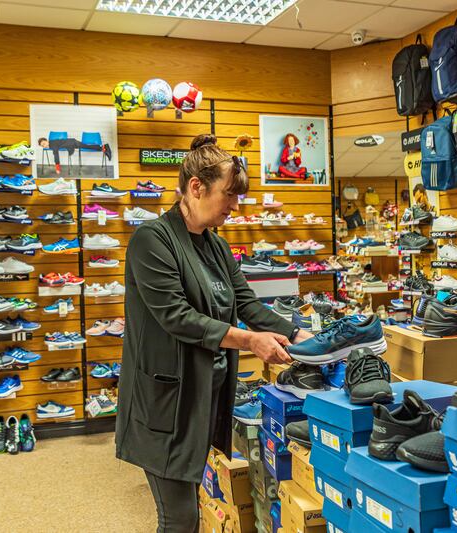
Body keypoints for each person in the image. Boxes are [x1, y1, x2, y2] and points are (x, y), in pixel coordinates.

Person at [116, 134, 314, 532]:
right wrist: (249, 340)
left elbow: (248, 305)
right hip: (166, 404)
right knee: (179, 517)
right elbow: (177, 317)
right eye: (230, 194)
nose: (235, 205)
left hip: (206, 396)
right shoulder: (151, 241)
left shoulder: (217, 247)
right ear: (196, 187)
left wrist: (299, 336)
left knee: (193, 505)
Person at [37, 136, 111, 174]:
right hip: (71, 143)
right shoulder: (51, 144)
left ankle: (104, 147)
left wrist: (57, 168)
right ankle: (103, 148)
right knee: (86, 146)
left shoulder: (52, 144)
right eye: (42, 146)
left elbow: (56, 154)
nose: (44, 146)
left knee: (86, 146)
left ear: (47, 141)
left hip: (73, 143)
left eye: (44, 143)